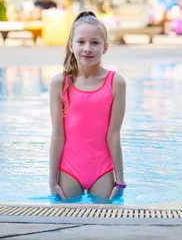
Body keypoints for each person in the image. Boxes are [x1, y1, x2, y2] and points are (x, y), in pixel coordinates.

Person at [49, 11, 127, 201]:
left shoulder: (115, 82)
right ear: (71, 46)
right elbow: (58, 134)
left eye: (95, 42)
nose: (87, 48)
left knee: (105, 222)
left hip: (102, 170)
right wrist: (52, 180)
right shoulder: (60, 83)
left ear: (105, 47)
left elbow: (114, 134)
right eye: (81, 42)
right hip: (69, 169)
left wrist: (121, 180)